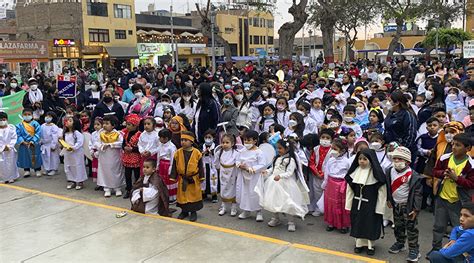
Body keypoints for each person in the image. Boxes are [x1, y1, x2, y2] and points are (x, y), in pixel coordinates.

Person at [427, 133, 474, 259]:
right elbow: (435, 171)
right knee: (438, 226)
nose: (453, 147)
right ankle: (436, 249)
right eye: (453, 144)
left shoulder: (471, 165)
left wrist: (456, 178)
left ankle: (458, 252)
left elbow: (471, 183)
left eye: (458, 145)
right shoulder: (445, 158)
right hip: (442, 197)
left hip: (459, 201)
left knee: (459, 227)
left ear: (468, 148)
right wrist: (444, 173)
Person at [257, 139, 310, 232]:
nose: (278, 150)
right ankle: (275, 218)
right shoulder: (276, 158)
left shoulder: (290, 160)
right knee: (274, 201)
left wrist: (280, 176)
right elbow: (273, 169)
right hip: (274, 183)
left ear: (287, 149)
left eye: (280, 148)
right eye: (277, 148)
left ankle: (291, 222)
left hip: (286, 184)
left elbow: (289, 173)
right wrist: (267, 171)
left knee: (288, 202)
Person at [345, 149, 387, 256]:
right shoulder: (354, 173)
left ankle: (370, 246)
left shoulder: (376, 175)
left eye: (365, 159)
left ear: (371, 160)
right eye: (359, 159)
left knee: (370, 224)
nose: (361, 161)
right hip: (357, 204)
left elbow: (382, 193)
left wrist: (380, 208)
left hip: (371, 206)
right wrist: (348, 205)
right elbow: (349, 190)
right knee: (357, 222)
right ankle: (358, 244)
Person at [386, 147, 423, 262]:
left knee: (411, 228)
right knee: (398, 226)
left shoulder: (413, 175)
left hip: (408, 206)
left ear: (407, 161)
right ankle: (400, 243)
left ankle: (414, 249)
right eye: (395, 158)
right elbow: (388, 186)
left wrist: (416, 209)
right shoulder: (389, 171)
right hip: (396, 204)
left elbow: (418, 194)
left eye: (400, 159)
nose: (396, 161)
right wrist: (389, 199)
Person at [169, 131, 204, 222]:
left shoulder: (197, 153)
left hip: (193, 179)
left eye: (185, 140)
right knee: (182, 196)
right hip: (182, 178)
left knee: (193, 195)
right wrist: (173, 176)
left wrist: (201, 177)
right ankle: (184, 211)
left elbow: (200, 166)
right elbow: (174, 165)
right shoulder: (178, 153)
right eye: (181, 140)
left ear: (191, 141)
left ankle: (193, 212)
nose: (183, 142)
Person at [236, 130, 267, 222]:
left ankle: (259, 212)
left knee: (255, 193)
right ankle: (246, 210)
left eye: (249, 140)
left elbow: (262, 164)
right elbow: (237, 160)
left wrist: (250, 168)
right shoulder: (242, 151)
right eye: (245, 140)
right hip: (244, 176)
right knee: (245, 193)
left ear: (255, 141)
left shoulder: (259, 152)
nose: (246, 142)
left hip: (254, 177)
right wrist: (239, 165)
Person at [322, 138, 352, 233]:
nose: (332, 151)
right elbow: (327, 172)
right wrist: (325, 184)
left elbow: (350, 174)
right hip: (331, 184)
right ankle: (331, 222)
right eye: (332, 148)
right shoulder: (330, 160)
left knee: (341, 205)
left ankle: (344, 225)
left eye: (335, 149)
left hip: (342, 185)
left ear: (342, 150)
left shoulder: (347, 162)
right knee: (331, 204)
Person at [97, 115, 124, 197]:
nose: (104, 125)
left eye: (107, 123)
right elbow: (96, 143)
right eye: (104, 123)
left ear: (113, 125)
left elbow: (121, 143)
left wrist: (111, 144)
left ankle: (117, 187)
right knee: (105, 171)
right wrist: (101, 146)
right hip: (104, 156)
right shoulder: (101, 134)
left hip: (114, 156)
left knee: (116, 170)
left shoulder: (117, 134)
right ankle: (107, 188)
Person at [215, 133, 241, 216]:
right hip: (223, 175)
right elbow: (217, 163)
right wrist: (218, 169)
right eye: (223, 142)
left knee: (233, 190)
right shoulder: (219, 152)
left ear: (232, 144)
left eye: (227, 142)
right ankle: (224, 207)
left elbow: (238, 163)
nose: (225, 144)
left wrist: (237, 173)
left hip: (233, 174)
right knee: (223, 189)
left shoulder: (236, 153)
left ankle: (234, 208)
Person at [61, 116, 88, 190]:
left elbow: (80, 142)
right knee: (68, 166)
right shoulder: (65, 133)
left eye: (70, 121)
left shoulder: (77, 133)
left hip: (76, 153)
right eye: (67, 120)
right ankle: (72, 180)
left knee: (77, 166)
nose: (67, 122)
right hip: (68, 153)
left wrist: (73, 147)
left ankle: (80, 181)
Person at [16, 108, 42, 177]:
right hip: (24, 144)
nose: (27, 116)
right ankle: (27, 170)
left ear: (32, 115)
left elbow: (38, 133)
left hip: (34, 144)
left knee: (35, 156)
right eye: (25, 114)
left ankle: (37, 169)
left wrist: (33, 141)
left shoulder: (35, 124)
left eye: (29, 114)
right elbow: (18, 134)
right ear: (22, 115)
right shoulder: (20, 125)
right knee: (25, 157)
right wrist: (22, 141)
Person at [121, 114, 142, 199]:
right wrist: (124, 147)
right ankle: (128, 189)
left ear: (135, 125)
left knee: (137, 175)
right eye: (127, 124)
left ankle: (136, 190)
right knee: (127, 175)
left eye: (129, 124)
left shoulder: (139, 135)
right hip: (127, 157)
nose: (127, 126)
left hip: (136, 157)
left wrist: (132, 149)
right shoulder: (126, 134)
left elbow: (141, 147)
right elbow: (123, 144)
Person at [156, 128, 177, 203]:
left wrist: (171, 169)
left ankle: (171, 197)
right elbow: (158, 156)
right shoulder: (161, 145)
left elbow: (173, 158)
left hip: (167, 166)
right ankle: (163, 195)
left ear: (166, 138)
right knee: (162, 181)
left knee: (169, 181)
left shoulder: (172, 147)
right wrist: (157, 165)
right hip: (162, 165)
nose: (159, 139)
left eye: (160, 137)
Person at [0, 111, 20, 183]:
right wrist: (2, 147)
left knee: (11, 163)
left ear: (7, 119)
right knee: (2, 165)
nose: (2, 121)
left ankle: (12, 177)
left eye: (4, 119)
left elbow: (14, 138)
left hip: (10, 150)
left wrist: (9, 146)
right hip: (1, 150)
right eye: (0, 120)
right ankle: (3, 178)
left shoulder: (11, 128)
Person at [40, 112, 61, 176]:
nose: (47, 118)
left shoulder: (54, 127)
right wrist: (40, 141)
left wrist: (53, 145)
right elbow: (40, 134)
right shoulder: (42, 125)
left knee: (53, 157)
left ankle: (54, 169)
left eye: (49, 116)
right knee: (45, 157)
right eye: (46, 116)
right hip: (44, 144)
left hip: (51, 144)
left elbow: (55, 136)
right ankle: (47, 169)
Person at [201, 129, 218, 202]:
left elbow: (217, 155)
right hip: (204, 165)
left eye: (209, 137)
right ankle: (204, 194)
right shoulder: (202, 146)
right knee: (204, 180)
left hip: (212, 166)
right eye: (206, 137)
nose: (207, 139)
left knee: (213, 180)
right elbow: (199, 154)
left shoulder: (216, 146)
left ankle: (214, 195)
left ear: (213, 138)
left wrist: (211, 152)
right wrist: (203, 152)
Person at [89, 117, 103, 187]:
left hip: (100, 153)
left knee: (101, 169)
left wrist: (98, 152)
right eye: (95, 124)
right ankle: (98, 184)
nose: (96, 126)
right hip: (94, 153)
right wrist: (91, 150)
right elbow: (90, 142)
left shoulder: (103, 133)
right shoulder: (93, 134)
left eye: (98, 124)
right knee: (96, 168)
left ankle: (102, 183)